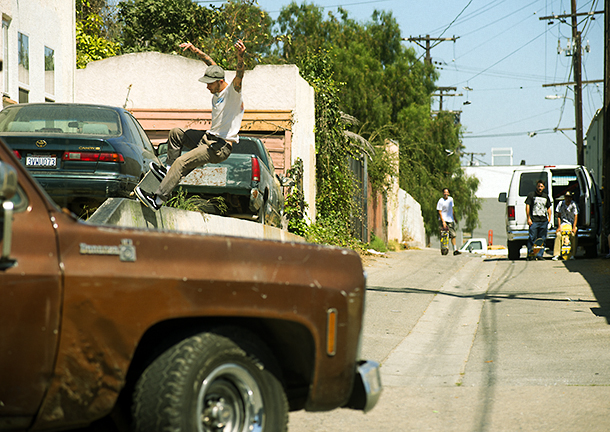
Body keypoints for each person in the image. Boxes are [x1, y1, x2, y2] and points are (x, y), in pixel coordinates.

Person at [135, 39, 247, 211]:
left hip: (219, 147)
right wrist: (194, 49)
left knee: (182, 163)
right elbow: (210, 62)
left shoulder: (233, 91)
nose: (207, 87)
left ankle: (157, 200)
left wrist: (241, 57)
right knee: (176, 134)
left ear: (219, 81)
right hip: (207, 138)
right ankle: (168, 171)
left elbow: (239, 74)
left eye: (210, 83)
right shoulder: (217, 79)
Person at [525, 179, 552, 260]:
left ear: (543, 187)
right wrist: (528, 218)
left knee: (542, 239)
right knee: (532, 238)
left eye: (541, 186)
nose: (540, 188)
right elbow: (527, 206)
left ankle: (540, 255)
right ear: (536, 186)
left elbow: (548, 208)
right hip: (534, 221)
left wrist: (549, 218)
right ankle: (531, 254)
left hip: (543, 221)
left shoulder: (545, 196)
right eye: (538, 186)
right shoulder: (531, 195)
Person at [551, 191, 578, 260]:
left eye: (569, 197)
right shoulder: (561, 204)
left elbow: (576, 216)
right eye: (566, 197)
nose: (567, 198)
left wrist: (574, 227)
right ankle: (556, 254)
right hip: (563, 223)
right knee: (558, 235)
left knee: (573, 235)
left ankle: (572, 255)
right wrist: (559, 227)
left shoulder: (574, 204)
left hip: (571, 224)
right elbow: (558, 216)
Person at [437, 188, 460, 255]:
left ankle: (455, 249)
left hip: (450, 219)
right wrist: (443, 221)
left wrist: (454, 217)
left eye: (447, 192)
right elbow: (439, 212)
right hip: (443, 219)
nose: (445, 194)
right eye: (444, 192)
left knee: (453, 235)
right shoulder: (441, 201)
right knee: (443, 235)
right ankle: (444, 249)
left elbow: (451, 209)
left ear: (449, 193)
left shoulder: (451, 200)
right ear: (443, 193)